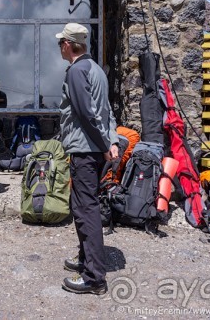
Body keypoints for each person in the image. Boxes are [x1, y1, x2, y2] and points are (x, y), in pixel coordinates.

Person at [55, 23, 119, 295]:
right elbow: (106, 112)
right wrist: (113, 140)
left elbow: (86, 114)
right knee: (85, 206)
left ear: (69, 44)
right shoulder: (96, 70)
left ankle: (94, 277)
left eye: (61, 43)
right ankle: (85, 258)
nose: (59, 47)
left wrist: (106, 144)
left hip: (85, 150)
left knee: (85, 210)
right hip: (95, 148)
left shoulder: (77, 71)